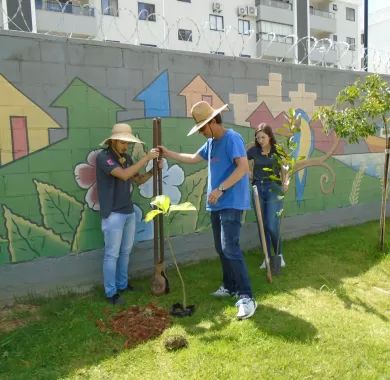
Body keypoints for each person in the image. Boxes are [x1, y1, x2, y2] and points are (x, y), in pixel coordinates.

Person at [159, 101, 256, 320]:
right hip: (217, 203)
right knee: (220, 248)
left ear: (213, 121)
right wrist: (168, 153)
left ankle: (247, 297)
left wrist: (220, 189)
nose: (202, 133)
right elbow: (193, 158)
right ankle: (229, 286)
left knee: (230, 247)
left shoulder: (232, 139)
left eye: (203, 128)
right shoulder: (211, 143)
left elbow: (243, 168)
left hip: (231, 201)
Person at [96, 123, 160, 305]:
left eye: (128, 143)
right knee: (112, 254)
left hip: (128, 211)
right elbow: (123, 175)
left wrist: (154, 170)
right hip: (113, 214)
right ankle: (111, 293)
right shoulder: (104, 158)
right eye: (123, 143)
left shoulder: (127, 158)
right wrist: (147, 157)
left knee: (125, 252)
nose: (126, 147)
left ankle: (122, 285)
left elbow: (137, 180)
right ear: (114, 141)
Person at [247, 123, 287, 273]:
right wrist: (248, 173)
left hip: (274, 188)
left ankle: (279, 255)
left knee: (271, 224)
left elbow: (286, 166)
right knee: (262, 226)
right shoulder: (254, 151)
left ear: (270, 136)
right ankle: (267, 257)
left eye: (263, 137)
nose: (260, 140)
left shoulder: (277, 150)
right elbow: (240, 162)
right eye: (258, 138)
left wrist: (286, 180)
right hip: (258, 188)